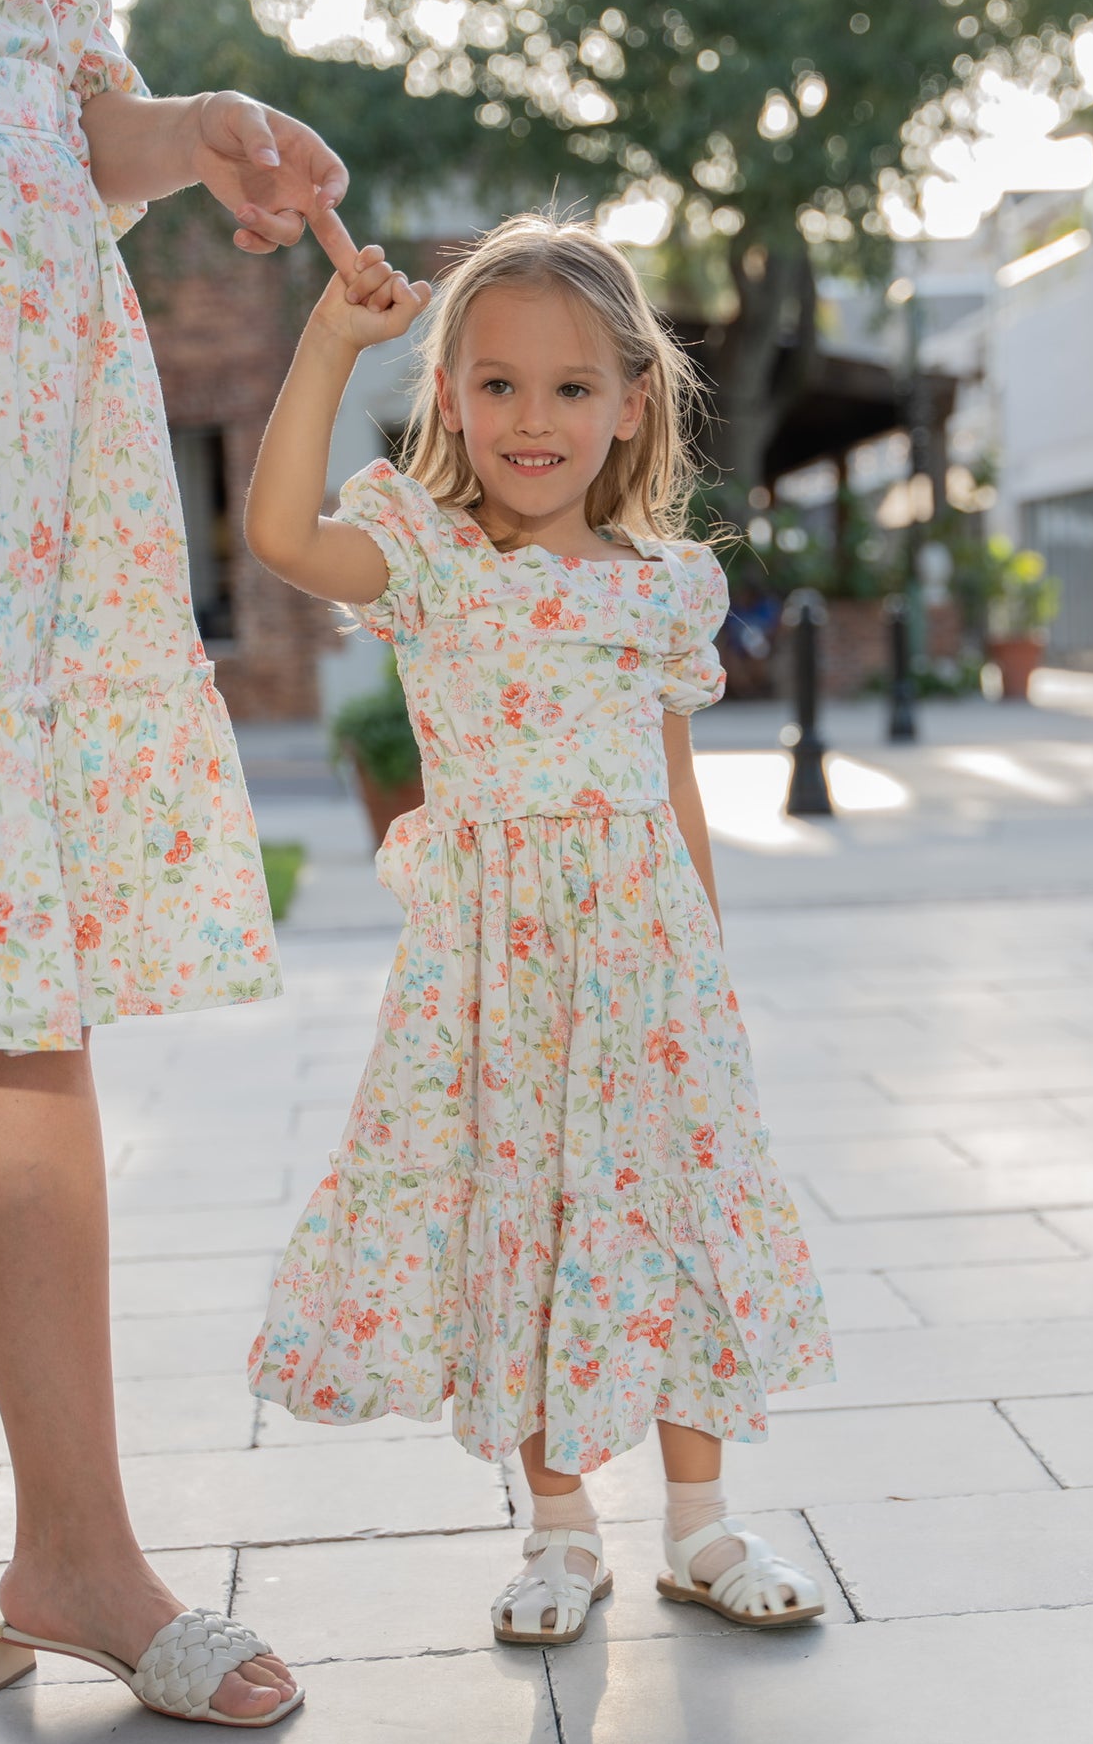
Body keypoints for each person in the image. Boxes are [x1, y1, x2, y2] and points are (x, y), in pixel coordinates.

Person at [245, 214, 836, 1641]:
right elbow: (272, 532)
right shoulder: (431, 562)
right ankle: (561, 1529)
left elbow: (675, 790)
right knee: (532, 1222)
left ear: (632, 402)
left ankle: (702, 1525)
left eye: (573, 387)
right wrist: (332, 336)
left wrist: (711, 967)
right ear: (450, 393)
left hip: (650, 968)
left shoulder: (657, 589)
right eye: (498, 382)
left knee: (671, 1210)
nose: (534, 417)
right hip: (499, 977)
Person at [0, 0, 354, 1724]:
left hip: (21, 395)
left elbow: (59, 111)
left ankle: (74, 1547)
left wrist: (176, 132)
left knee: (3, 962)